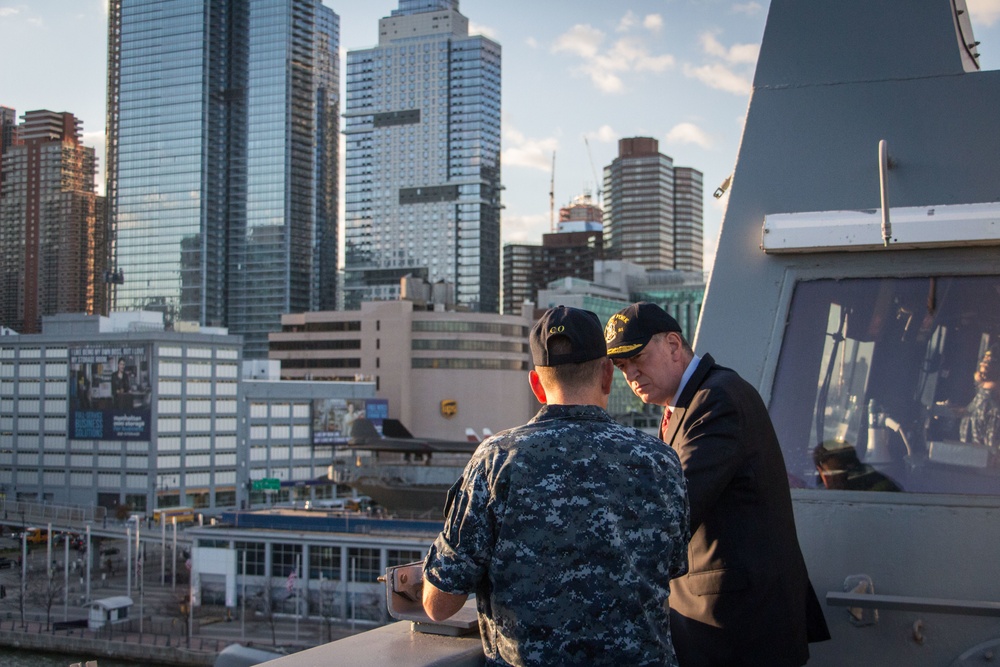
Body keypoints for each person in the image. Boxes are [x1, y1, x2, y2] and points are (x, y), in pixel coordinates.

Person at [422, 306, 690, 666]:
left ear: (536, 385)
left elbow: (440, 604)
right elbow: (672, 566)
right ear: (608, 374)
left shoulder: (496, 460)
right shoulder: (660, 460)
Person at [605, 302, 830, 667]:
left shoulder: (715, 399)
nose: (630, 374)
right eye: (622, 366)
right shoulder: (695, 400)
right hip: (728, 625)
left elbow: (675, 508)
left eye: (638, 358)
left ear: (674, 346)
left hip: (738, 630)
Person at [959, 342, 1000, 459]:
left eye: (990, 362)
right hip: (970, 451)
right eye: (984, 360)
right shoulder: (982, 394)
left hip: (985, 456)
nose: (985, 363)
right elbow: (970, 411)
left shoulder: (994, 404)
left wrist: (993, 456)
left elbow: (992, 439)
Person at [813, 441, 901, 491]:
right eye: (830, 474)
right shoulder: (814, 495)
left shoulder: (881, 490)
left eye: (839, 472)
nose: (833, 480)